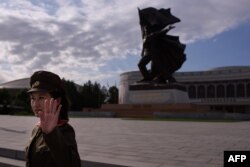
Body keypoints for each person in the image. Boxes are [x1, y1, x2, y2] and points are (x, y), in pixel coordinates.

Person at [25, 70, 81, 167]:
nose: (35, 104)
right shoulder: (37, 129)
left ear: (57, 100)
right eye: (33, 98)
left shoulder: (65, 130)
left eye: (41, 97)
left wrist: (51, 134)